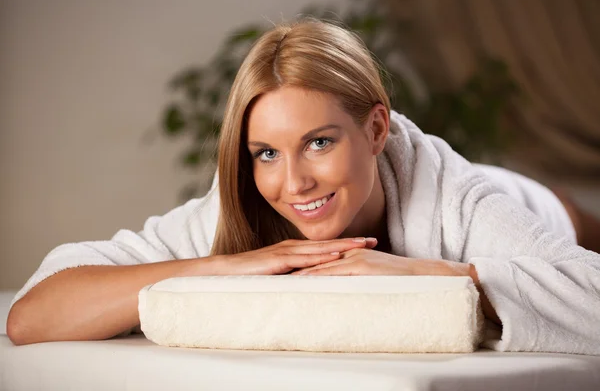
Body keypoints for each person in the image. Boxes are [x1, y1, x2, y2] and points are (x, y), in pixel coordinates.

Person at [7, 19, 600, 355]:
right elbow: (32, 315)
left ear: (374, 128)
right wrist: (213, 267)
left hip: (527, 198)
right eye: (266, 153)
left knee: (580, 218)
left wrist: (427, 272)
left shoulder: (457, 198)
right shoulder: (233, 208)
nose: (292, 183)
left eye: (319, 142)